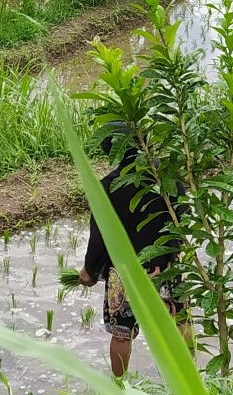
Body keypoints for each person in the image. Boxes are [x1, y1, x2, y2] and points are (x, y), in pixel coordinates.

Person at [78, 127, 192, 378]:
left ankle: (119, 385)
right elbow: (183, 216)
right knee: (181, 319)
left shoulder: (109, 186)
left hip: (126, 271)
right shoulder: (167, 175)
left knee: (122, 333)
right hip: (168, 263)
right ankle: (189, 377)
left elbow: (100, 237)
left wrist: (90, 270)